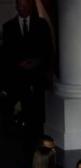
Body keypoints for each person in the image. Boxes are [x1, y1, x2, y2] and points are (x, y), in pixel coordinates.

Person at [0, 0, 52, 132]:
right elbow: (6, 54)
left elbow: (48, 49)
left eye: (24, 5)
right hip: (17, 76)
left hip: (38, 75)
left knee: (38, 109)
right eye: (19, 5)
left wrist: (37, 62)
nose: (21, 8)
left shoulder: (41, 24)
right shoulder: (8, 27)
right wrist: (18, 64)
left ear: (30, 6)